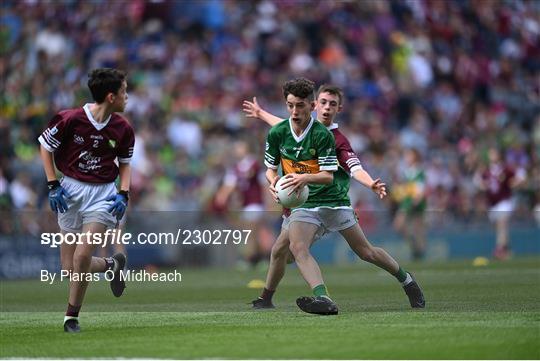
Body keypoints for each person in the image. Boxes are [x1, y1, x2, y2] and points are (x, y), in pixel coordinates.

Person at [245, 84, 425, 312]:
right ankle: (279, 298)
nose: (327, 108)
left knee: (366, 252)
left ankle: (406, 280)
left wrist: (370, 183)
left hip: (334, 202)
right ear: (315, 105)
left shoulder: (336, 140)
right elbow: (284, 124)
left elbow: (354, 168)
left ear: (339, 108)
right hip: (304, 203)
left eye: (332, 104)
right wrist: (261, 114)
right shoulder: (295, 125)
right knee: (286, 248)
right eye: (323, 102)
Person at [38, 68, 134, 332]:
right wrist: (52, 184)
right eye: (125, 92)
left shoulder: (123, 128)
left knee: (82, 256)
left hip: (103, 194)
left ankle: (71, 317)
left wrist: (123, 193)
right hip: (70, 192)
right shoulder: (69, 119)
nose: (128, 97)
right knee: (69, 268)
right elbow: (46, 147)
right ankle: (112, 265)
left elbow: (125, 164)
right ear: (111, 96)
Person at [214, 140, 271, 268]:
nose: (237, 150)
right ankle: (260, 258)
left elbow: (264, 184)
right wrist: (221, 197)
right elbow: (229, 185)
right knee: (253, 232)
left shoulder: (254, 164)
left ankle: (250, 259)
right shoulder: (235, 168)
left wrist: (269, 200)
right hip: (245, 205)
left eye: (239, 147)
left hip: (255, 203)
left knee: (251, 231)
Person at [474, 148, 525, 260]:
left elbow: (519, 178)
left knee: (502, 223)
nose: (491, 156)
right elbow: (478, 182)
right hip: (492, 204)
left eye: (493, 153)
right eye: (490, 154)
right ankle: (507, 249)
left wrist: (514, 184)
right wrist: (483, 185)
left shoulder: (505, 169)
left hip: (505, 201)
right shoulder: (486, 170)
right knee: (499, 228)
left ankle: (499, 249)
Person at [392, 148, 428, 261]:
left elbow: (420, 188)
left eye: (409, 155)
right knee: (399, 226)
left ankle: (419, 253)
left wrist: (416, 199)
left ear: (415, 157)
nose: (407, 158)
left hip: (415, 202)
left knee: (418, 229)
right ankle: (416, 249)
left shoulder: (419, 171)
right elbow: (403, 188)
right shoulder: (407, 172)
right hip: (407, 202)